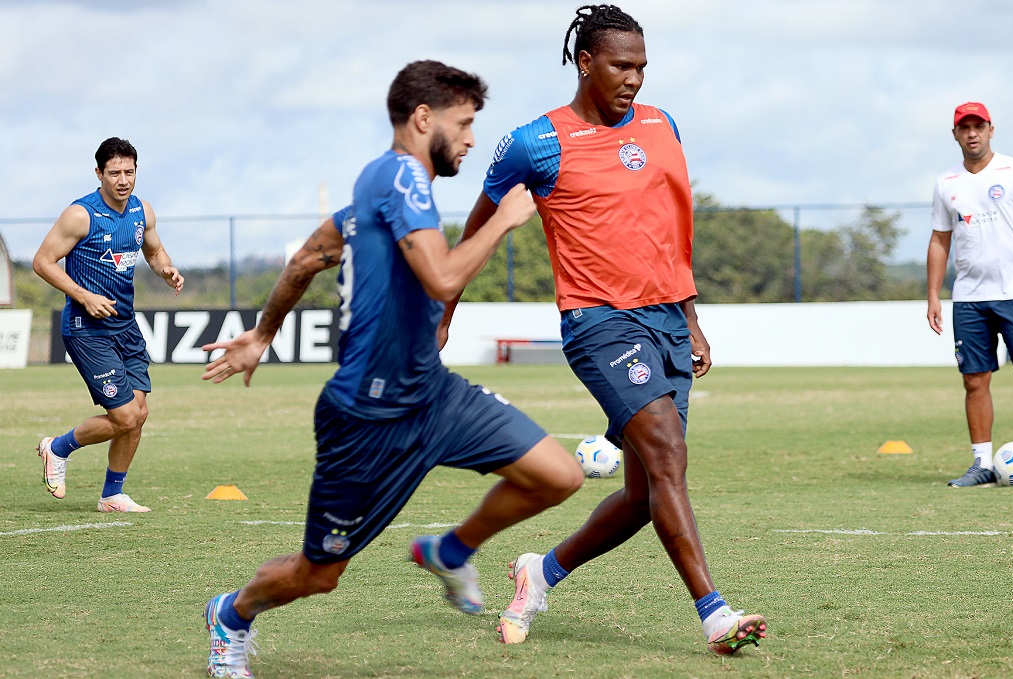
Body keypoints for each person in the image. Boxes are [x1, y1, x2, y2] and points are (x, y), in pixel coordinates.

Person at [198, 60, 582, 678]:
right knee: (317, 576)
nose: (472, 139)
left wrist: (262, 334)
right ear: (422, 118)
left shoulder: (378, 200)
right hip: (366, 419)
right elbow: (443, 275)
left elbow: (305, 259)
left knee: (558, 476)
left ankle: (450, 551)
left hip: (433, 397)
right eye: (464, 123)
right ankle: (232, 613)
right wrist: (505, 221)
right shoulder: (400, 173)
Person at [440, 5, 766, 655]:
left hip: (667, 320)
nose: (635, 78)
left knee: (645, 495)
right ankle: (714, 612)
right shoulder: (535, 141)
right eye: (621, 64)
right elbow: (479, 225)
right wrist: (444, 310)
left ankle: (541, 571)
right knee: (669, 453)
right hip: (598, 324)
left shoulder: (661, 125)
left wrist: (691, 317)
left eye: (642, 66)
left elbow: (671, 230)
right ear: (585, 63)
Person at [32, 137, 184, 513]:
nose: (122, 180)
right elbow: (43, 262)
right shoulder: (79, 215)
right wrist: (83, 296)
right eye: (113, 172)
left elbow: (153, 249)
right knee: (126, 415)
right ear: (99, 173)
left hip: (126, 327)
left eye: (128, 172)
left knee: (138, 415)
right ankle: (57, 448)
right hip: (86, 328)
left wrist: (166, 269)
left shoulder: (142, 211)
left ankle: (112, 495)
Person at [927, 101, 1013, 490]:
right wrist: (934, 296)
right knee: (974, 381)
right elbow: (939, 241)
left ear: (991, 130)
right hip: (970, 297)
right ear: (955, 134)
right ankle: (982, 465)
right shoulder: (946, 183)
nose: (972, 133)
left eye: (979, 126)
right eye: (964, 127)